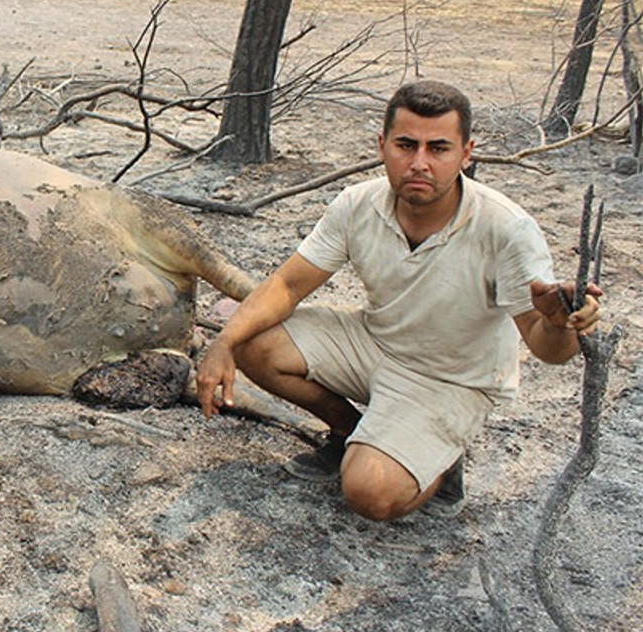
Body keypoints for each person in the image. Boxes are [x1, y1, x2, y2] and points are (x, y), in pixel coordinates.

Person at [196, 80, 603, 521]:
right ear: (382, 145)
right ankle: (349, 431)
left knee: (369, 493)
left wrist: (560, 323)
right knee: (253, 340)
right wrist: (223, 342)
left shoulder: (506, 229)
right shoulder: (358, 204)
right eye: (406, 145)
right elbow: (287, 287)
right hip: (376, 342)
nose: (419, 163)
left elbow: (549, 351)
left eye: (438, 149)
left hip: (452, 378)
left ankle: (438, 461)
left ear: (467, 153)